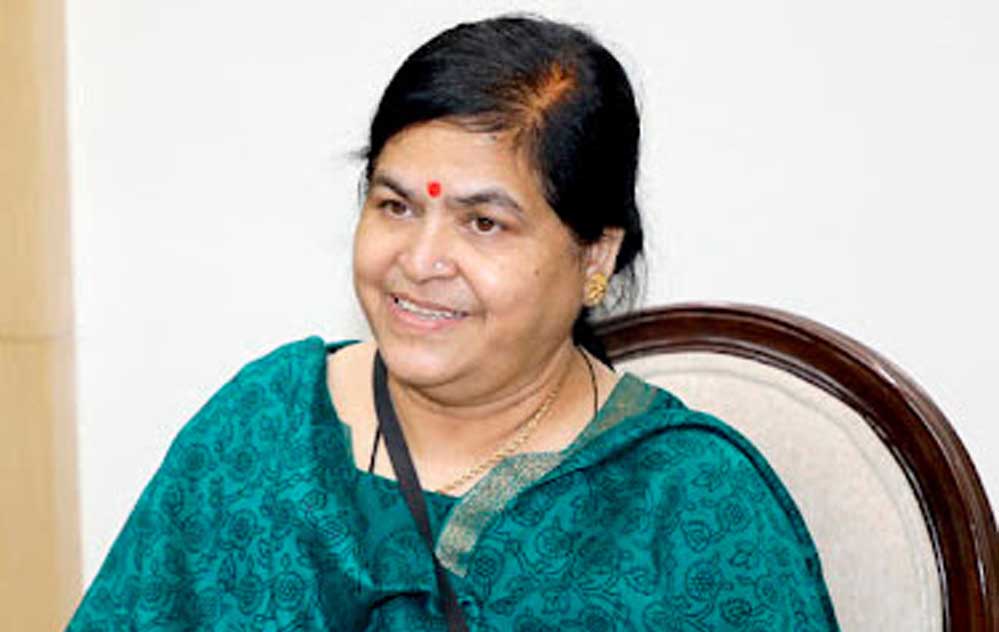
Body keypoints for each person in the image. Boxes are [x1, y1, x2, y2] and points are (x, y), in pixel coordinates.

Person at [68, 15, 839, 631]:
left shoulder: (686, 505)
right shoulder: (263, 432)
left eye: (483, 223)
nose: (419, 260)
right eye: (395, 206)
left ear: (594, 255)